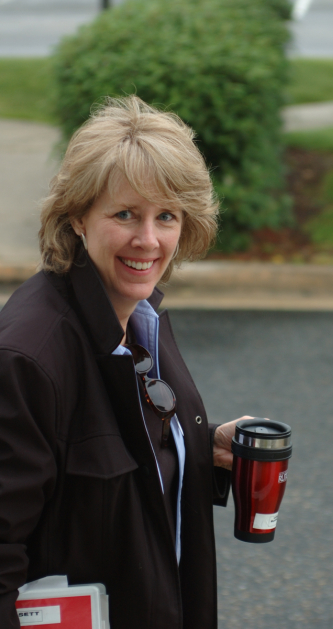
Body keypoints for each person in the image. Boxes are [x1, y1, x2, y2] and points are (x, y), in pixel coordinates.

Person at [0, 96, 251, 629]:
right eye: (124, 214)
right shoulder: (27, 359)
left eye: (166, 216)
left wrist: (201, 451)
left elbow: (111, 471)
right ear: (77, 216)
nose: (149, 240)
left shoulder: (138, 315)